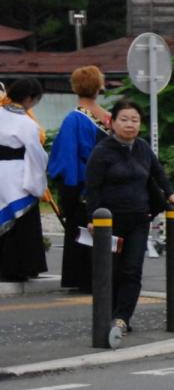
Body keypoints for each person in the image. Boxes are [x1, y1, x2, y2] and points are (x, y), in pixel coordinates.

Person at [84, 100, 174, 332]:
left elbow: (158, 174)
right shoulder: (101, 152)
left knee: (132, 269)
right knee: (112, 271)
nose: (130, 125)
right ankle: (106, 316)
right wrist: (92, 218)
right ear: (112, 122)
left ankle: (122, 317)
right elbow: (92, 188)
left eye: (135, 120)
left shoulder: (143, 147)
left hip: (139, 218)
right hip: (110, 221)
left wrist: (171, 194)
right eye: (124, 119)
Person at [47, 66, 110, 291]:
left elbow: (66, 158)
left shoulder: (74, 119)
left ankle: (82, 279)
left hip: (82, 184)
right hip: (108, 185)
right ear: (99, 86)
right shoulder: (108, 118)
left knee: (81, 234)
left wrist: (69, 193)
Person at [0, 79, 49, 282]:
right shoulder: (28, 124)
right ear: (29, 98)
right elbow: (36, 155)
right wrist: (39, 184)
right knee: (22, 220)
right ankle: (22, 267)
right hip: (18, 172)